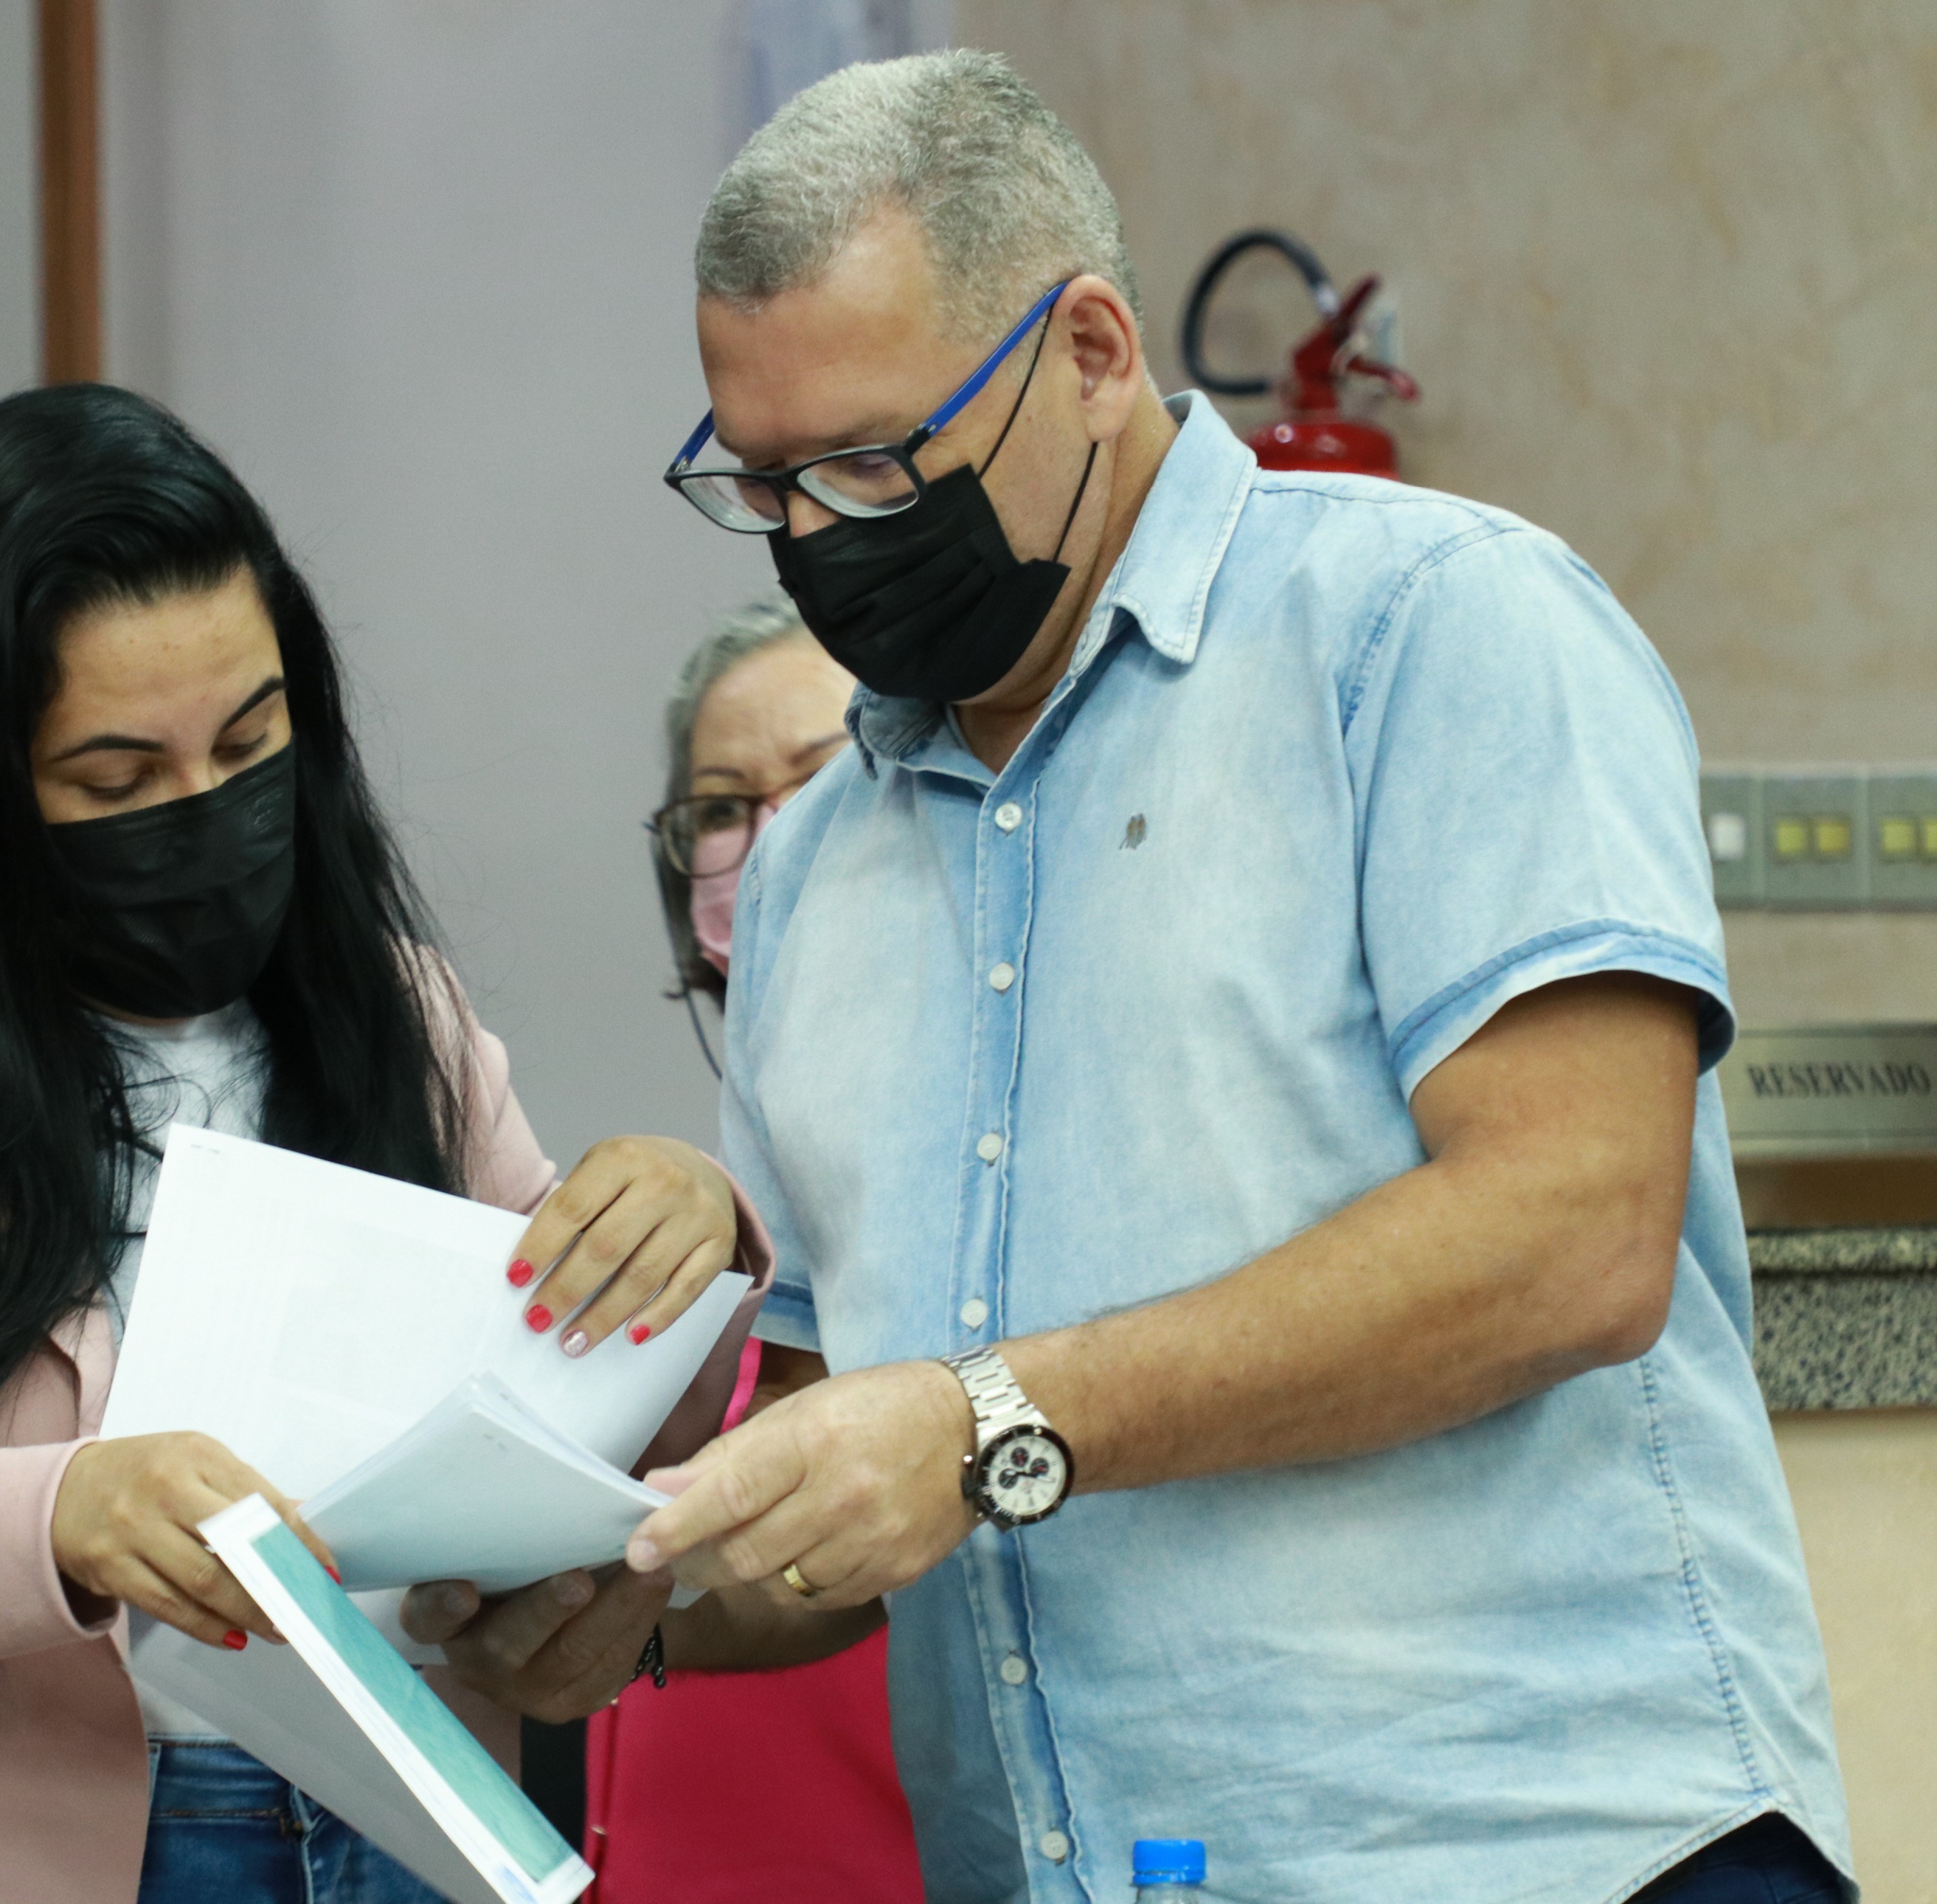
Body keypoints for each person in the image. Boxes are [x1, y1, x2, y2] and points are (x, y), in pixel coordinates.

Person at [416, 50, 1850, 1904]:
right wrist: (636, 1597)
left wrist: (991, 1418)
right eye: (763, 486)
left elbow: (1574, 1232)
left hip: (1550, 1853)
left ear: (1091, 350)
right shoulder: (815, 868)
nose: (818, 539)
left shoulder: (1430, 629)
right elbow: (858, 1477)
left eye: (871, 462)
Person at [0, 384, 763, 1904]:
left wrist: (677, 1232)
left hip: (394, 1832)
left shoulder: (390, 1005)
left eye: (250, 742)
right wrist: (56, 1517)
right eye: (116, 782)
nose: (206, 815)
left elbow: (584, 1440)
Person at [578, 595, 922, 1903]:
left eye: (823, 780)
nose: (769, 841)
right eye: (722, 807)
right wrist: (588, 1618)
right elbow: (675, 1609)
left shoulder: (997, 1212)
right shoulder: (667, 1220)